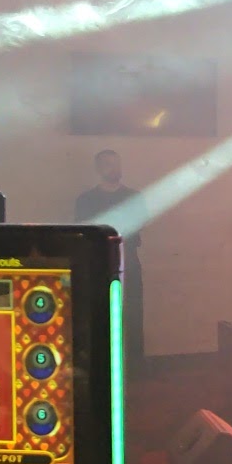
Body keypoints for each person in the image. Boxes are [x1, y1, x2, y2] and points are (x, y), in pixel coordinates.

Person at [75, 148, 145, 372]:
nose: (115, 169)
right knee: (99, 316)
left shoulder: (133, 197)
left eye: (117, 163)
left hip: (129, 263)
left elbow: (138, 228)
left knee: (133, 315)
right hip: (98, 266)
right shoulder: (86, 200)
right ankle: (101, 368)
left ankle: (135, 368)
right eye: (108, 164)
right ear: (98, 168)